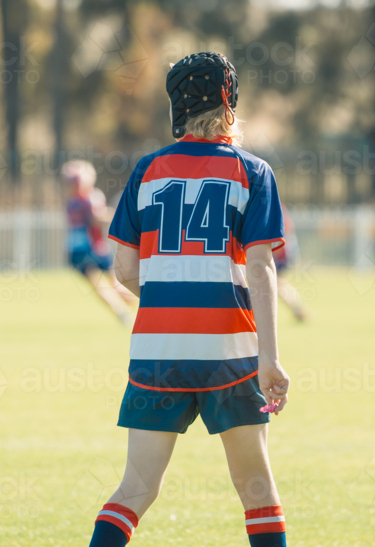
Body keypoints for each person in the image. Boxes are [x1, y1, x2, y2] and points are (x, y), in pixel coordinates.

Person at [89, 52, 291, 547]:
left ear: (176, 105)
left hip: (158, 352)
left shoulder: (147, 170)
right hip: (230, 354)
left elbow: (124, 269)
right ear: (229, 103)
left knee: (135, 489)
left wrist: (164, 300)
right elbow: (262, 268)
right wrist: (271, 359)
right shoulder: (252, 172)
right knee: (258, 494)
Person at [62, 159, 137, 325]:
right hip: (95, 247)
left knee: (98, 286)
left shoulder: (70, 200)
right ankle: (140, 307)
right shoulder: (91, 196)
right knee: (116, 282)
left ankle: (122, 312)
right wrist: (118, 215)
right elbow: (97, 218)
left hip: (75, 250)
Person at [273, 204, 308, 322]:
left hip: (281, 251)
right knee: (278, 284)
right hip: (283, 250)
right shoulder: (276, 204)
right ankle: (298, 310)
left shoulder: (273, 204)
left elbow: (282, 231)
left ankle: (298, 310)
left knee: (276, 283)